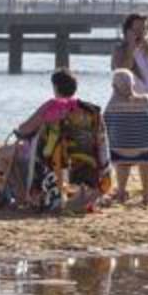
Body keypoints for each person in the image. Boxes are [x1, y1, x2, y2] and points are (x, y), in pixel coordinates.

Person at [16, 69, 111, 211]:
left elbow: (24, 129)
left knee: (13, 154)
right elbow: (102, 138)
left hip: (56, 160)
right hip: (85, 159)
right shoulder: (91, 110)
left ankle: (29, 197)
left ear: (55, 87)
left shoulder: (53, 106)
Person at [103, 69, 148, 206]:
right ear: (133, 84)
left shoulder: (111, 106)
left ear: (113, 87)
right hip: (144, 152)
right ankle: (146, 196)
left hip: (119, 152)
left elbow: (105, 128)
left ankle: (121, 192)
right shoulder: (146, 100)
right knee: (145, 158)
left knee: (123, 157)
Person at [111, 13, 148, 103]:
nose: (141, 33)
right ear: (127, 31)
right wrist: (131, 48)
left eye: (144, 29)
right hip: (133, 106)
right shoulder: (120, 50)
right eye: (137, 30)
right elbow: (122, 72)